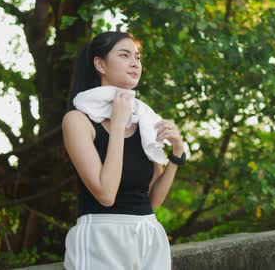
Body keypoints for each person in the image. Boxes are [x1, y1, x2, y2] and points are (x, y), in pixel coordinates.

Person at [61, 31, 186, 269]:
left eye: (137, 57)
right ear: (100, 64)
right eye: (124, 55)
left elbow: (153, 201)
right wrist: (118, 125)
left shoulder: (145, 119)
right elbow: (106, 195)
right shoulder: (78, 120)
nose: (135, 63)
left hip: (149, 237)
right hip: (101, 239)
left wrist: (176, 155)